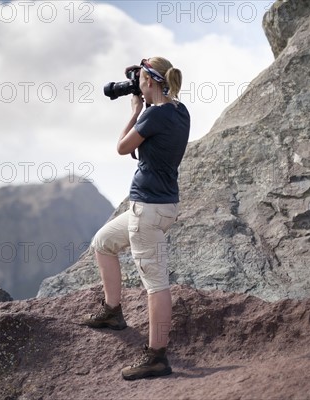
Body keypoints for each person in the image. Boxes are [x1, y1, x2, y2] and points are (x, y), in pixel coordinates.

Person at [81, 56, 190, 380]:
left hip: (148, 212)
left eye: (140, 77)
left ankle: (157, 356)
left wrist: (134, 111)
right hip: (156, 206)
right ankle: (112, 311)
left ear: (149, 82)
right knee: (103, 242)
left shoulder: (153, 116)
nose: (137, 82)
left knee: (156, 285)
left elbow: (121, 147)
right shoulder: (179, 110)